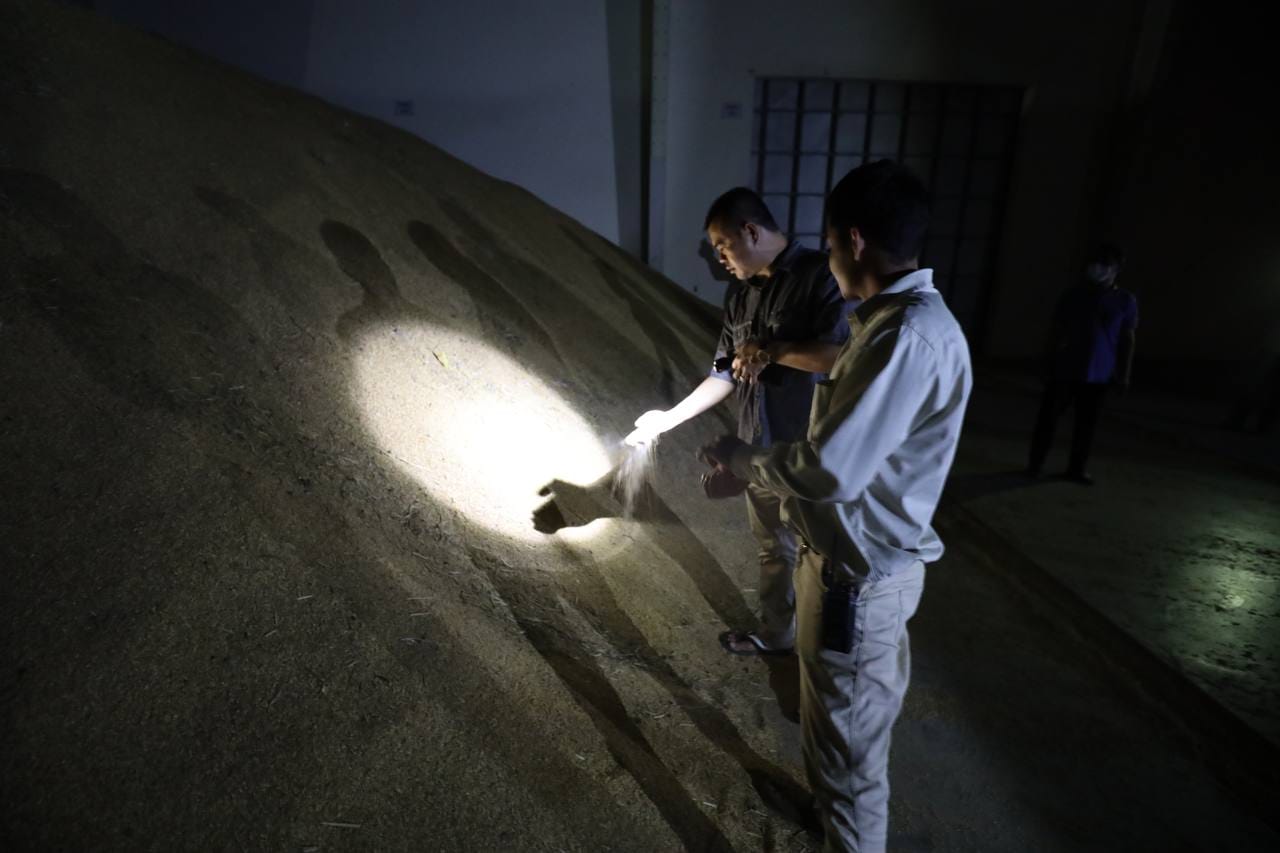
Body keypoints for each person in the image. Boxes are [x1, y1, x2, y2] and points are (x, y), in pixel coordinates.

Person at [700, 161, 972, 853]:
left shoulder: (903, 338)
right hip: (845, 566)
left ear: (853, 241)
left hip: (859, 579)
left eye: (827, 245)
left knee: (852, 768)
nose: (826, 259)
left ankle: (841, 824)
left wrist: (742, 459)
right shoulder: (894, 325)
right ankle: (825, 807)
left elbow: (829, 469)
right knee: (831, 732)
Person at [625, 187, 850, 656]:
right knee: (773, 549)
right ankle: (778, 634)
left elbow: (838, 355)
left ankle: (823, 651)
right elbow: (723, 373)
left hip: (809, 450)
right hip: (758, 447)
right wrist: (666, 421)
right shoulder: (741, 298)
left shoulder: (820, 276)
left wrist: (771, 351)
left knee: (820, 553)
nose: (719, 259)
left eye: (722, 246)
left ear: (750, 231)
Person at [1027, 244, 1137, 484]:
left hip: (1099, 373)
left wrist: (1124, 374)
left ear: (1116, 269)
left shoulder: (1124, 301)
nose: (1097, 269)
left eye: (1104, 264)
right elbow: (1055, 331)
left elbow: (1127, 339)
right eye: (1094, 263)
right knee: (1048, 420)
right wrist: (1046, 361)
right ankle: (1035, 465)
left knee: (1086, 425)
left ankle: (1076, 468)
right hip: (1065, 368)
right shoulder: (1073, 296)